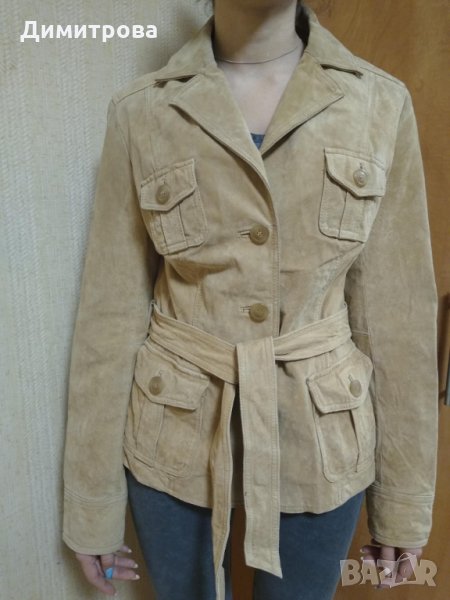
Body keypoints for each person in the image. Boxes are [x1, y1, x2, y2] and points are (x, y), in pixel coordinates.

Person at [62, 1, 439, 599]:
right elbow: (109, 317)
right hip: (175, 431)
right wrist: (91, 508)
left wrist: (403, 501)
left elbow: (399, 319)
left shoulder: (378, 103)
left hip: (321, 433)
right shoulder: (143, 110)